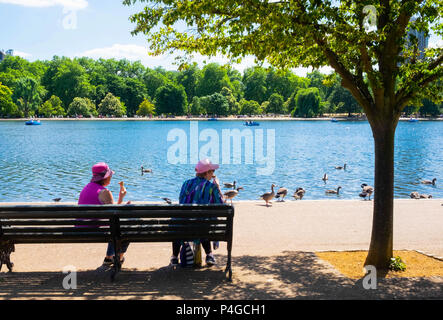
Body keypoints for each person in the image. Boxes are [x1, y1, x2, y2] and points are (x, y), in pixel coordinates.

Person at [170, 158, 225, 267]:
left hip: (183, 228)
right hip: (203, 228)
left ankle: (175, 257)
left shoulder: (186, 184)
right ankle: (209, 254)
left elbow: (182, 201)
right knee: (204, 221)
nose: (213, 174)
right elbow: (222, 206)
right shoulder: (211, 186)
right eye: (212, 171)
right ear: (207, 172)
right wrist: (218, 187)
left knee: (178, 221)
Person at [77, 162, 130, 266]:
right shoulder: (105, 192)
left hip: (81, 228)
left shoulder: (86, 187)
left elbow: (113, 213)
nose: (111, 177)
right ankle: (118, 257)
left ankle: (109, 258)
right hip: (95, 230)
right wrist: (124, 205)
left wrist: (120, 198)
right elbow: (115, 216)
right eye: (110, 175)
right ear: (105, 177)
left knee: (114, 227)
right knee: (125, 228)